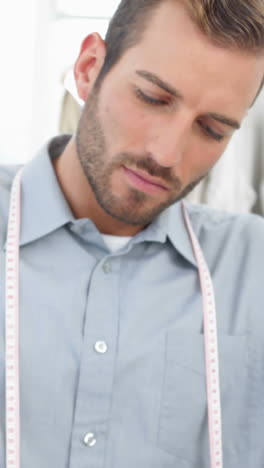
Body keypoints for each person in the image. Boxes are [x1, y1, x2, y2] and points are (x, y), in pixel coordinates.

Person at [0, 0, 264, 467]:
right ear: (88, 70)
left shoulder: (251, 266)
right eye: (152, 98)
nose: (166, 154)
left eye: (211, 129)